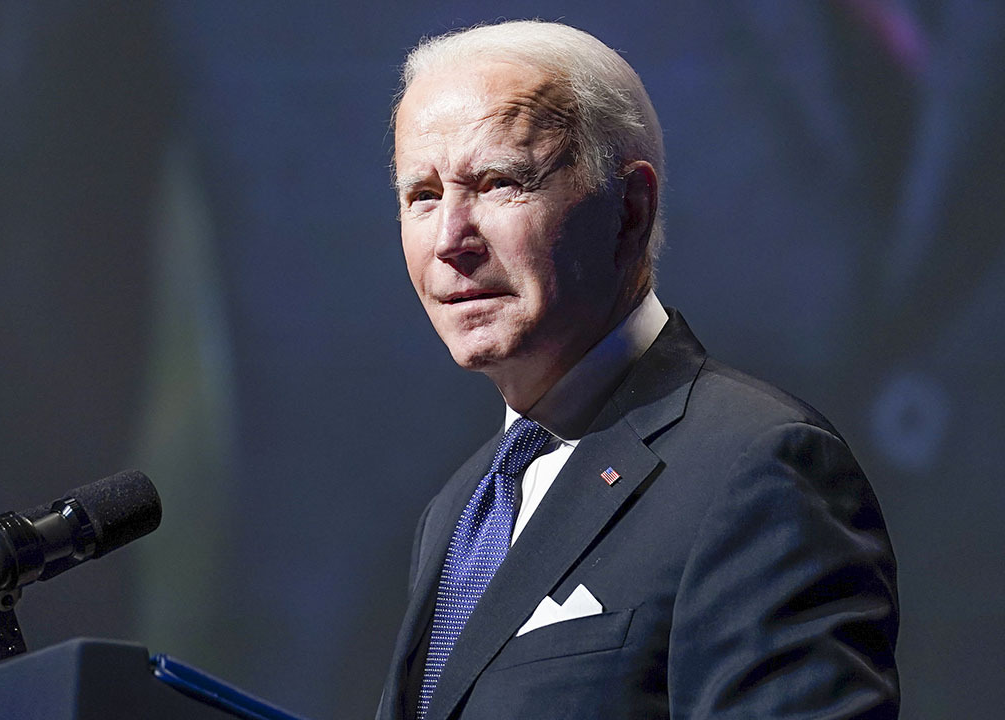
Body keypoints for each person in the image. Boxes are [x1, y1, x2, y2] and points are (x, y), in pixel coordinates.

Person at [377, 20, 898, 720]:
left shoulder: (759, 468)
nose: (451, 241)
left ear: (630, 210)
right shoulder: (459, 509)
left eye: (498, 183)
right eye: (423, 196)